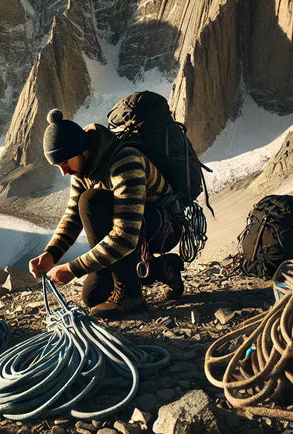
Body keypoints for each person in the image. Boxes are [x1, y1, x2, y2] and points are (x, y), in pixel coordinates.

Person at [28, 109, 185, 319]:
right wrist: (52, 253)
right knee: (93, 297)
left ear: (81, 150)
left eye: (65, 163)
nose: (63, 172)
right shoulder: (82, 168)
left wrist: (73, 269)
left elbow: (125, 237)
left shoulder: (125, 161)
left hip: (163, 228)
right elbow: (73, 216)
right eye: (58, 166)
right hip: (135, 234)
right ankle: (161, 268)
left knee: (91, 201)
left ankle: (131, 298)